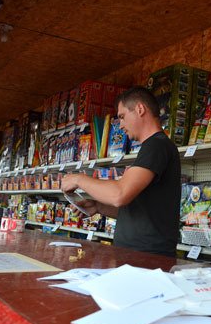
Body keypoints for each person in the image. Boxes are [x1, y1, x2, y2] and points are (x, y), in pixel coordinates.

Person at [61, 86, 181, 257]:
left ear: (140, 109)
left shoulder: (157, 145)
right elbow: (141, 210)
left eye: (122, 117)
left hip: (147, 259)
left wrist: (79, 179)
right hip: (138, 256)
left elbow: (119, 195)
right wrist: (97, 206)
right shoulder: (152, 147)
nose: (121, 125)